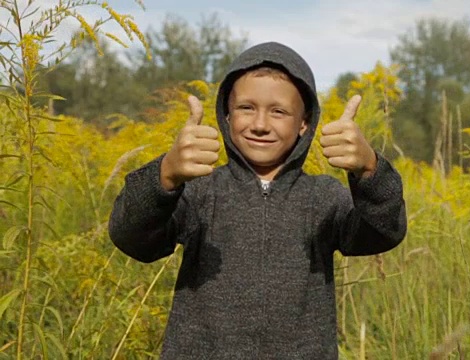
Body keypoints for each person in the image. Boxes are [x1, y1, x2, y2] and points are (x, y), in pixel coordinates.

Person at [108, 41, 407, 359]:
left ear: (304, 123)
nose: (261, 125)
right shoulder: (198, 191)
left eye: (279, 111)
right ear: (226, 114)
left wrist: (370, 169)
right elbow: (131, 237)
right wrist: (165, 174)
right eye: (246, 108)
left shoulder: (323, 198)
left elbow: (384, 231)